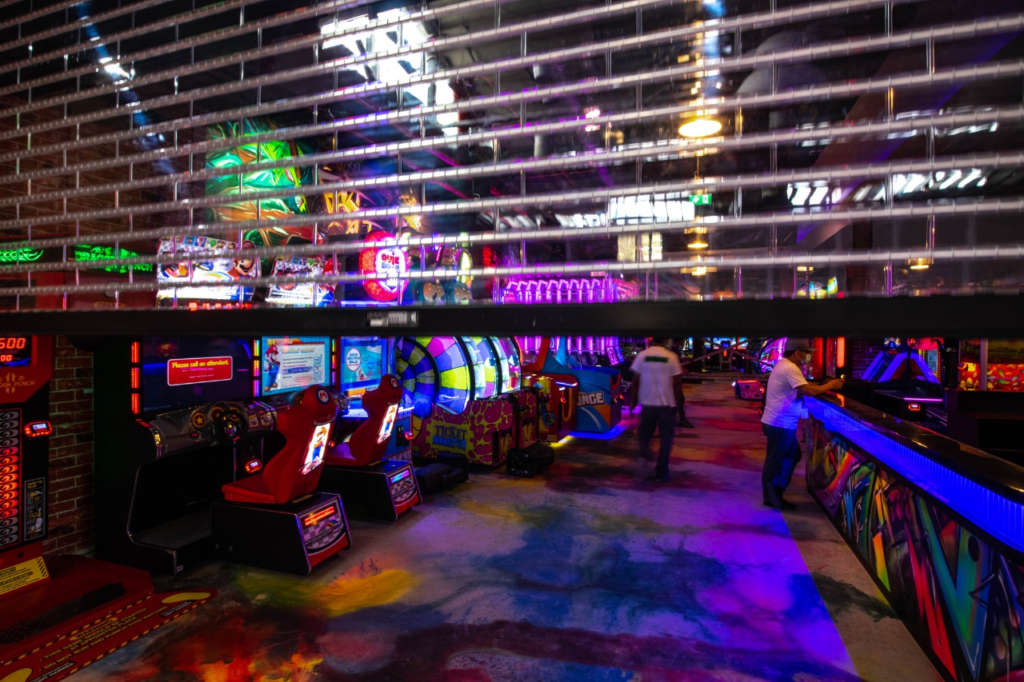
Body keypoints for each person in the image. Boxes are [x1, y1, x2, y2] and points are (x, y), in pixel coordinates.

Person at [761, 338, 843, 510]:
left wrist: (821, 384)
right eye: (806, 353)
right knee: (777, 460)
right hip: (780, 424)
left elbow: (803, 385)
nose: (807, 356)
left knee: (790, 455)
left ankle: (774, 492)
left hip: (779, 423)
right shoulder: (790, 368)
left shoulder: (784, 365)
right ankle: (773, 496)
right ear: (797, 352)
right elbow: (808, 390)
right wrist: (830, 385)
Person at [629, 338, 684, 483]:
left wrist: (633, 401)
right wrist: (677, 402)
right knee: (666, 439)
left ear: (652, 339)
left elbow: (636, 380)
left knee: (644, 435)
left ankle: (644, 455)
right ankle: (662, 472)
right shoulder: (671, 357)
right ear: (665, 340)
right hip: (666, 405)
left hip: (647, 404)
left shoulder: (642, 355)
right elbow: (677, 382)